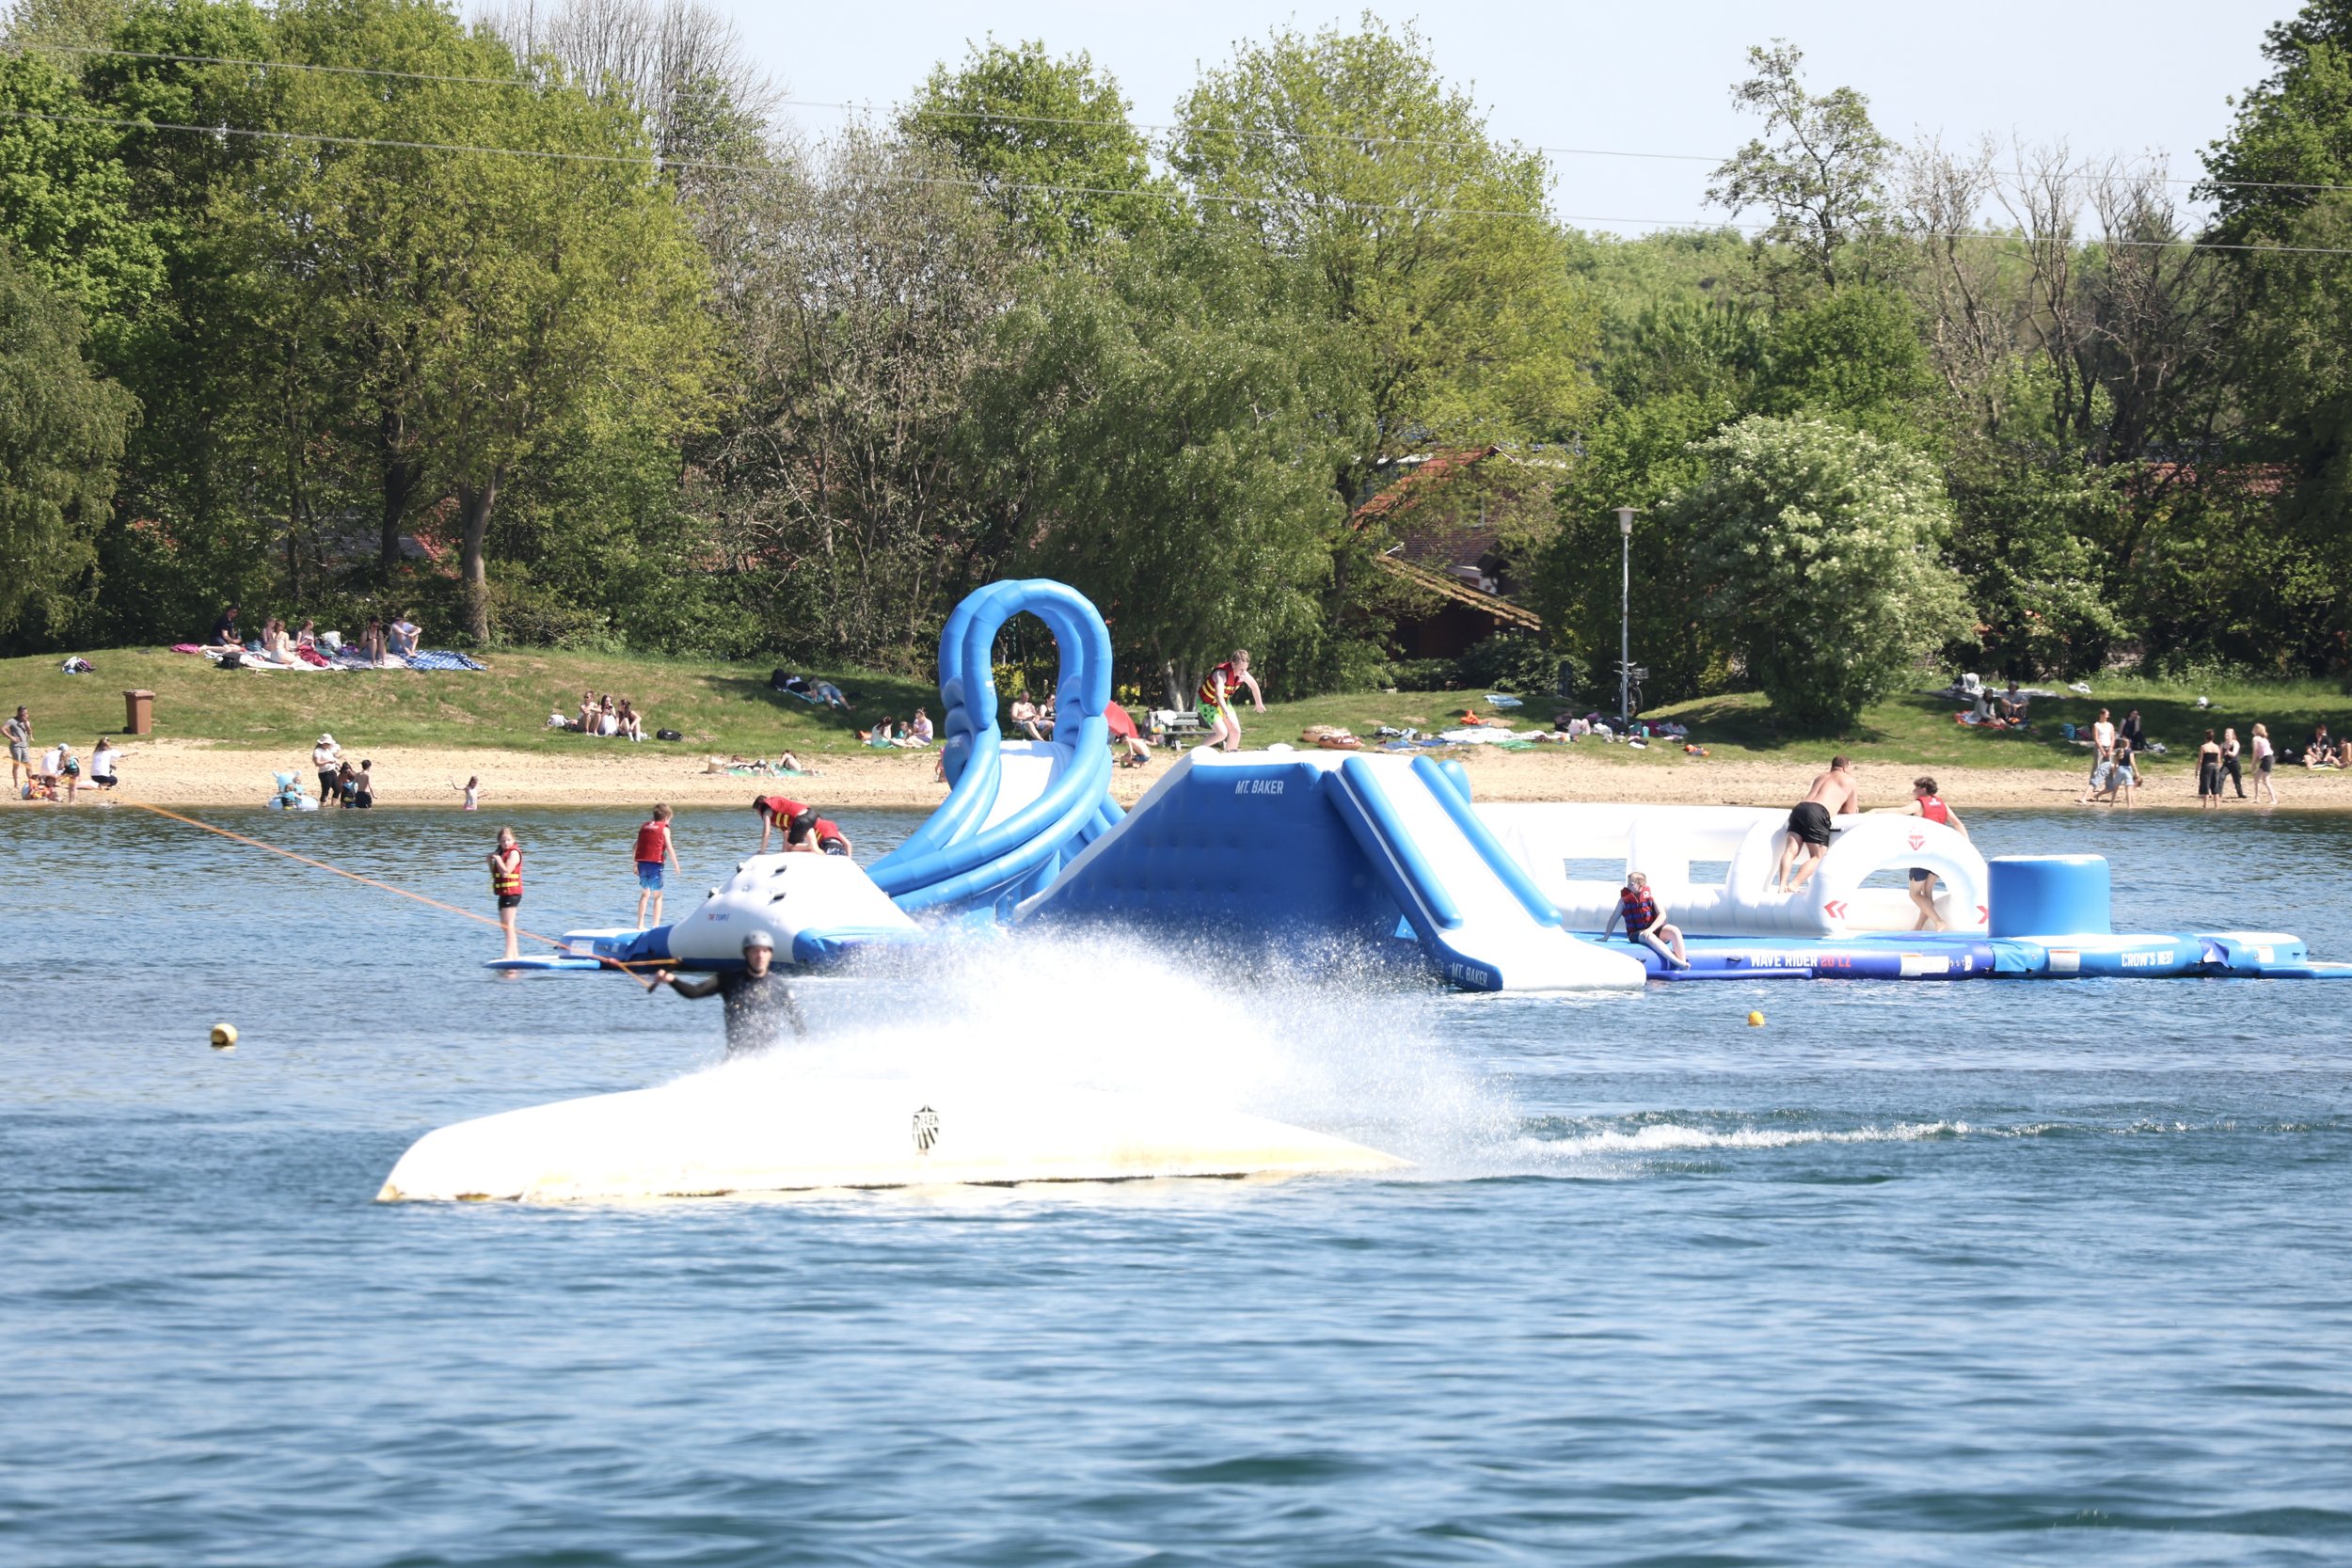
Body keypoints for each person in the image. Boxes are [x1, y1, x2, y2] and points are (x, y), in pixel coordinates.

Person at [651, 932, 804, 1053]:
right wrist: (672, 980)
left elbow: (797, 1023)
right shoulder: (728, 979)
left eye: (764, 951)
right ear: (746, 953)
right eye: (755, 951)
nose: (760, 956)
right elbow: (694, 992)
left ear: (770, 954)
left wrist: (802, 1053)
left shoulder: (778, 986)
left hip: (768, 1057)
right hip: (737, 1056)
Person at [1874, 777, 1969, 929]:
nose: (1913, 791)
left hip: (1924, 854)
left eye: (1915, 788)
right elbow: (1958, 824)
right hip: (1941, 854)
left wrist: (1876, 811)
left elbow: (1900, 811)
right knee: (1927, 892)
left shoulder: (1919, 803)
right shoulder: (1942, 804)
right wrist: (1967, 845)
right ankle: (1919, 926)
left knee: (1915, 893)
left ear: (1923, 789)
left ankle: (1939, 921)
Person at [1772, 756, 1860, 893]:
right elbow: (1850, 810)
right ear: (1845, 767)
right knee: (1818, 856)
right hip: (1818, 812)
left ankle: (1782, 885)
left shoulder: (1820, 777)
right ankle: (1794, 885)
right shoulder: (1849, 780)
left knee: (1790, 850)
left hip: (1800, 808)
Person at [1602, 871, 1691, 970]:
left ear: (1641, 886)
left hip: (1652, 930)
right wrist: (1606, 937)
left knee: (1674, 930)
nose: (1627, 886)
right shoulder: (1624, 900)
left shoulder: (1650, 897)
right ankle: (1677, 962)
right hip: (1636, 934)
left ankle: (1682, 962)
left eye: (1631, 884)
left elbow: (1662, 915)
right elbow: (1614, 918)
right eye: (1628, 883)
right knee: (1648, 936)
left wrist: (1650, 929)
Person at [1195, 649, 1265, 753]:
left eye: (1245, 669)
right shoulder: (1221, 674)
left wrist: (1259, 703)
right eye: (1241, 669)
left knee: (1236, 731)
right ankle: (1195, 753)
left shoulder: (1243, 674)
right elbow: (1218, 696)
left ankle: (1230, 760)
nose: (1243, 672)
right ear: (1233, 664)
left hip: (1223, 702)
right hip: (1207, 703)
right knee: (1222, 733)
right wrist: (1226, 712)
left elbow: (1254, 686)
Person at [634, 803, 680, 929]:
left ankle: (640, 924)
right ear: (666, 818)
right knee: (658, 896)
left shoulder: (644, 827)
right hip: (655, 864)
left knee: (645, 894)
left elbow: (635, 847)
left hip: (642, 863)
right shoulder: (665, 829)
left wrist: (635, 864)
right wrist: (676, 864)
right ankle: (655, 926)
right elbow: (669, 848)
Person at [488, 827, 523, 960]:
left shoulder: (514, 853)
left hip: (512, 893)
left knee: (508, 925)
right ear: (499, 841)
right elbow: (496, 874)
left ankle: (509, 955)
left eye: (509, 840)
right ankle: (514, 955)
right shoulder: (501, 853)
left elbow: (506, 872)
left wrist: (498, 860)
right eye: (503, 841)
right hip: (504, 892)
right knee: (506, 925)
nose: (506, 843)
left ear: (513, 840)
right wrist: (489, 863)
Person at [786, 807, 853, 858]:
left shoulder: (808, 824)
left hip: (827, 847)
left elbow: (812, 847)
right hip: (841, 850)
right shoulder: (831, 825)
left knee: (794, 849)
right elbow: (848, 844)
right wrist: (849, 861)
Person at [1104, 700, 1152, 768]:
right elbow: (1135, 750)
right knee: (1128, 756)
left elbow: (1131, 752)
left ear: (1124, 738)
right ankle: (1134, 763)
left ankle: (1141, 762)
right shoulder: (1134, 740)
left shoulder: (1129, 741)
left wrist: (1124, 758)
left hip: (1144, 757)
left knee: (1123, 758)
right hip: (1148, 755)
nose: (1123, 743)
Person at [2252, 722, 2280, 804]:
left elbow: (2255, 752)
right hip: (2267, 759)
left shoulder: (2256, 739)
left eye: (2254, 728)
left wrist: (2253, 764)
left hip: (2268, 759)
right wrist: (2255, 763)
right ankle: (2257, 798)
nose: (2252, 729)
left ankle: (2274, 800)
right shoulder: (2263, 739)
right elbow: (2259, 754)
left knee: (2265, 780)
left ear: (2256, 730)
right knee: (2256, 778)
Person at [2197, 729, 2224, 809]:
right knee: (2215, 786)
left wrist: (2197, 769)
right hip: (2215, 767)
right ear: (2213, 737)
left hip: (2206, 767)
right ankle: (2217, 805)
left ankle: (2205, 805)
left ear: (2205, 737)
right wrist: (2219, 768)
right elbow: (2219, 760)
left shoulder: (2203, 747)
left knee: (2206, 786)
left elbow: (2200, 760)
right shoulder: (2217, 747)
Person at [6, 705, 30, 792]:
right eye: (23, 713)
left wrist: (26, 723)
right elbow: (2, 729)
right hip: (16, 746)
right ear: (18, 712)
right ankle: (16, 784)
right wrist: (11, 737)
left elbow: (30, 732)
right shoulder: (12, 721)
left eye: (26, 713)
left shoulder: (25, 721)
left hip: (24, 746)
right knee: (17, 765)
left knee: (28, 765)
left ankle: (32, 782)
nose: (25, 715)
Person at [2221, 727, 2247, 800]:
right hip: (2226, 764)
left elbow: (2234, 754)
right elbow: (2219, 755)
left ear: (2232, 735)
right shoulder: (2223, 744)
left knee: (2237, 780)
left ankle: (2240, 794)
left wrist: (2228, 752)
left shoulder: (2235, 743)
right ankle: (2218, 794)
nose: (2226, 734)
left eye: (2228, 733)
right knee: (2220, 776)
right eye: (2226, 733)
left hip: (2235, 764)